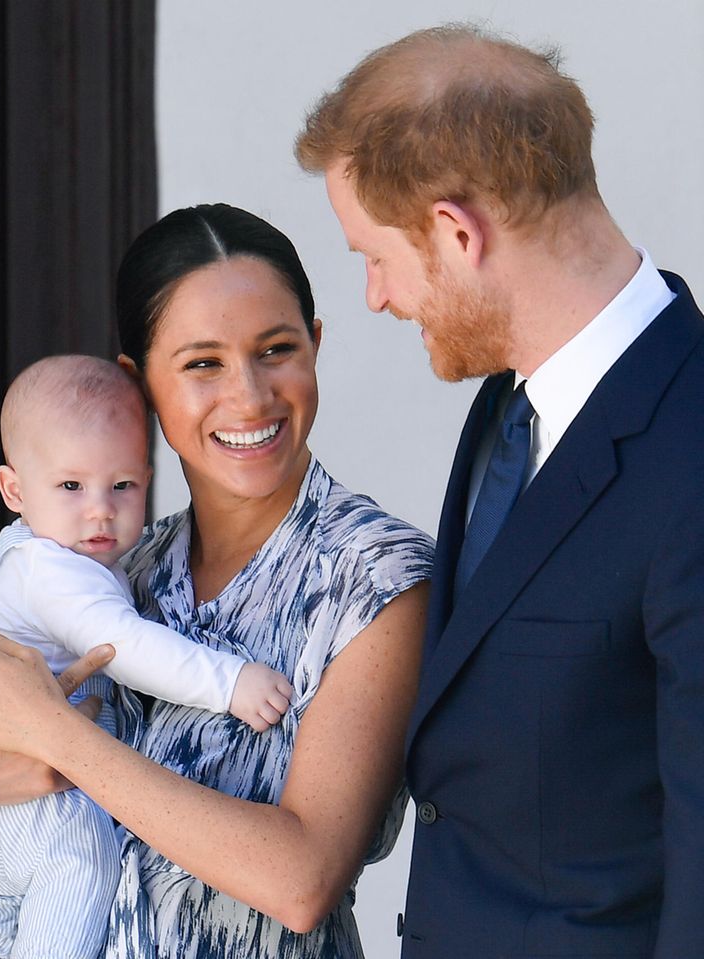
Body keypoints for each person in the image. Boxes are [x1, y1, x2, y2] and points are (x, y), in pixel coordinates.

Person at [0, 203, 433, 959]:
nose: (249, 395)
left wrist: (52, 731)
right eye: (202, 362)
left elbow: (303, 880)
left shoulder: (375, 579)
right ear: (141, 387)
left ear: (315, 346)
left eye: (276, 349)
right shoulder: (111, 573)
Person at [295, 23, 704, 959]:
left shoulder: (693, 444)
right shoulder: (503, 409)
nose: (375, 296)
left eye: (375, 255)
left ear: (454, 231)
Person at [0, 353, 293, 959]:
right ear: (14, 489)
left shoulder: (32, 552)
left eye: (123, 485)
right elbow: (129, 647)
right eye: (71, 486)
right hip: (16, 769)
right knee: (80, 857)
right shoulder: (56, 573)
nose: (100, 509)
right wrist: (232, 681)